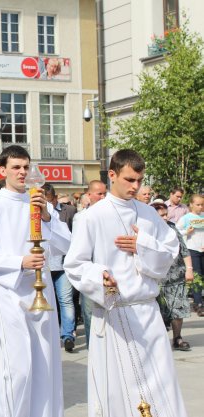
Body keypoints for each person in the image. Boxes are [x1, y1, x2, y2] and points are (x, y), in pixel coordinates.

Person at [64, 149, 186, 417]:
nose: (136, 186)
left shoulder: (148, 214)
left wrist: (143, 245)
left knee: (159, 382)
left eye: (139, 180)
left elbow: (170, 250)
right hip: (114, 311)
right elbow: (74, 264)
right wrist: (101, 277)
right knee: (119, 389)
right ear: (112, 174)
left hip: (148, 312)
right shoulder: (91, 216)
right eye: (129, 179)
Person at [0, 145, 70, 417]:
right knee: (17, 366)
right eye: (16, 167)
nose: (22, 172)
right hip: (12, 294)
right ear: (1, 171)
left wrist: (48, 217)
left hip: (44, 292)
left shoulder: (40, 203)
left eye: (26, 167)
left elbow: (66, 245)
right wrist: (19, 262)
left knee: (46, 362)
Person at [152, 202, 194, 350]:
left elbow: (184, 250)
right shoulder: (147, 230)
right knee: (159, 311)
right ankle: (159, 340)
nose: (165, 217)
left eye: (166, 214)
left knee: (178, 308)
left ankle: (177, 338)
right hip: (156, 277)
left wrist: (189, 269)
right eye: (161, 215)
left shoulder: (172, 228)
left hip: (176, 275)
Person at [72, 179, 107, 348]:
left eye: (104, 193)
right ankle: (92, 345)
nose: (102, 197)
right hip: (90, 269)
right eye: (99, 193)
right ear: (89, 195)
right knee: (89, 310)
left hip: (108, 270)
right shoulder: (81, 217)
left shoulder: (110, 214)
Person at [42, 182, 77, 352]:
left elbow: (70, 237)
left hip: (62, 265)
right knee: (49, 302)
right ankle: (52, 334)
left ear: (54, 199)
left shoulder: (67, 211)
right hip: (45, 267)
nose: (44, 203)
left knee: (66, 300)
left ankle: (68, 334)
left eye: (47, 199)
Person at [176, 194, 204, 315]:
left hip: (202, 249)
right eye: (198, 204)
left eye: (202, 204)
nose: (200, 207)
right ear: (191, 204)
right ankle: (198, 303)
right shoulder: (186, 218)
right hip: (192, 249)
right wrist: (186, 232)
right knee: (197, 276)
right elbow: (176, 231)